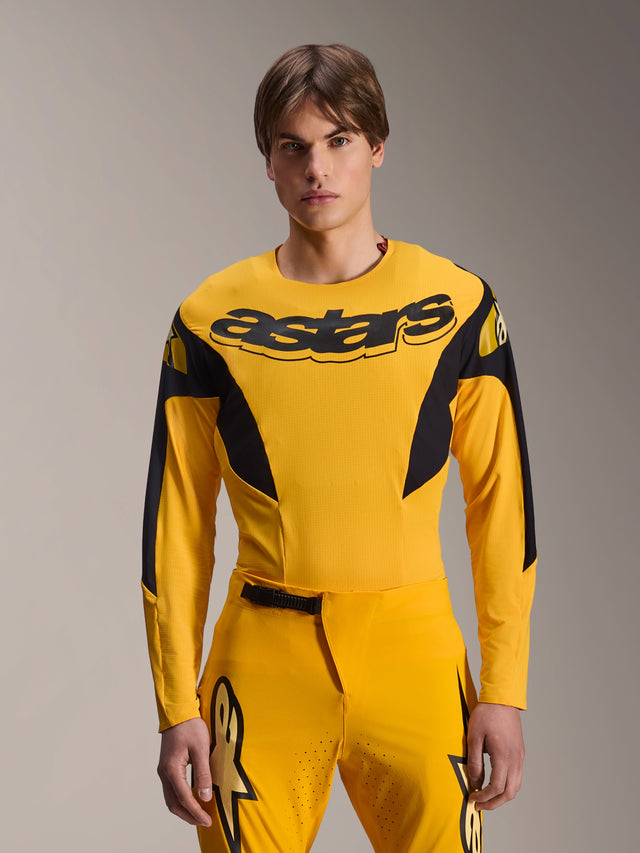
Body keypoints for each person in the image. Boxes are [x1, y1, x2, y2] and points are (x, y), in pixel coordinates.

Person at [142, 43, 536, 853]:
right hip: (263, 664)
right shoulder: (209, 317)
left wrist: (504, 686)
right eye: (293, 146)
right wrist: (176, 704)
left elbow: (502, 504)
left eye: (340, 140)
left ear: (377, 147)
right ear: (269, 162)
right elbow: (176, 520)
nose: (316, 168)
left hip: (415, 656)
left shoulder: (458, 303)